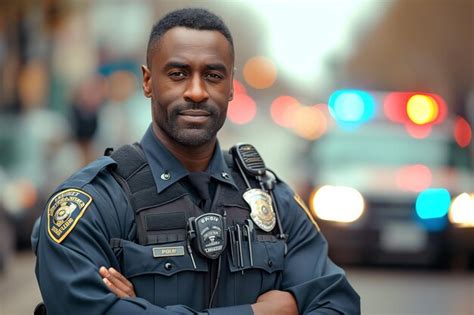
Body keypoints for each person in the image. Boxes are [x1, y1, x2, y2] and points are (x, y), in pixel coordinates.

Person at [32, 8, 360, 315]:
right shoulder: (93, 205)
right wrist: (260, 312)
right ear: (147, 81)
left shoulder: (274, 203)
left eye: (213, 75)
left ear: (231, 86)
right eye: (178, 73)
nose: (197, 91)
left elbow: (339, 303)